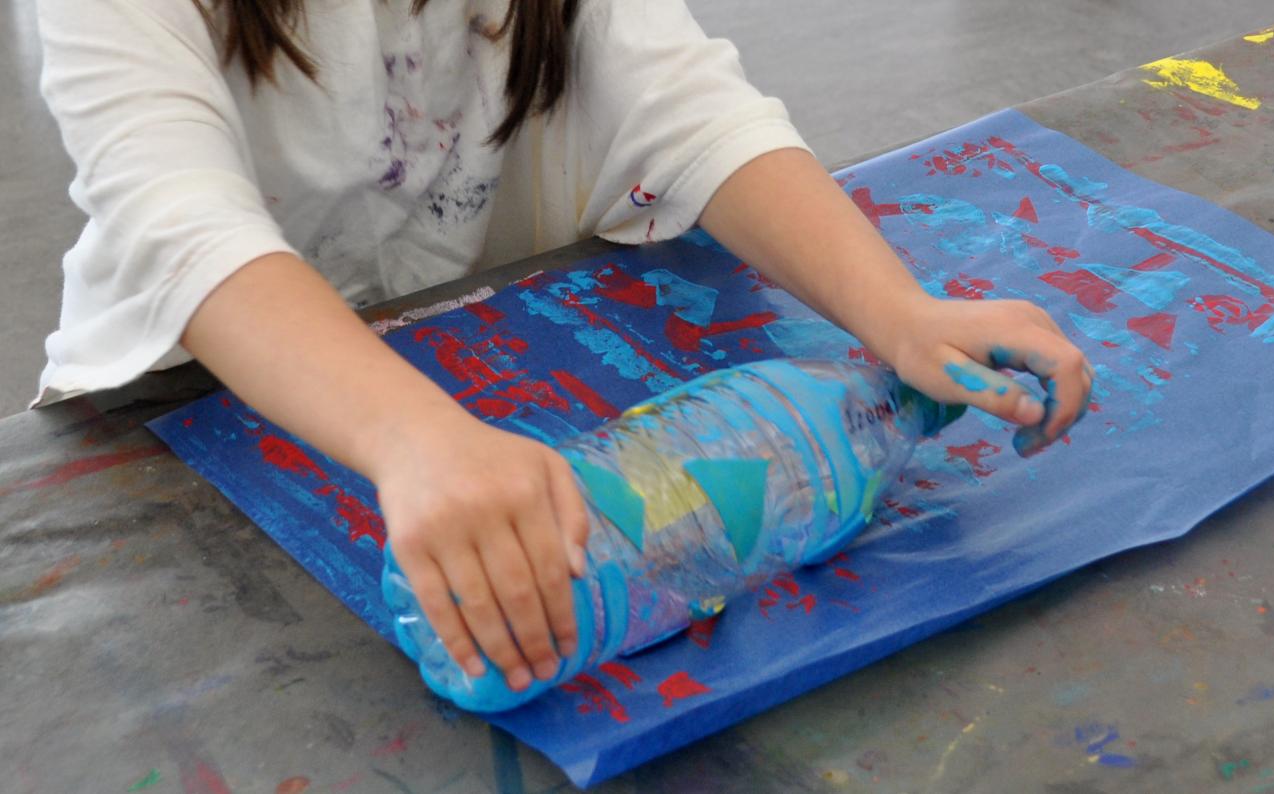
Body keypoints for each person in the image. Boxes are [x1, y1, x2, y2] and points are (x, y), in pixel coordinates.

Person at [35, 0, 1093, 696]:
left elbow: (685, 105)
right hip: (211, 426)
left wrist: (895, 309)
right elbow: (183, 229)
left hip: (495, 361)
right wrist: (415, 440)